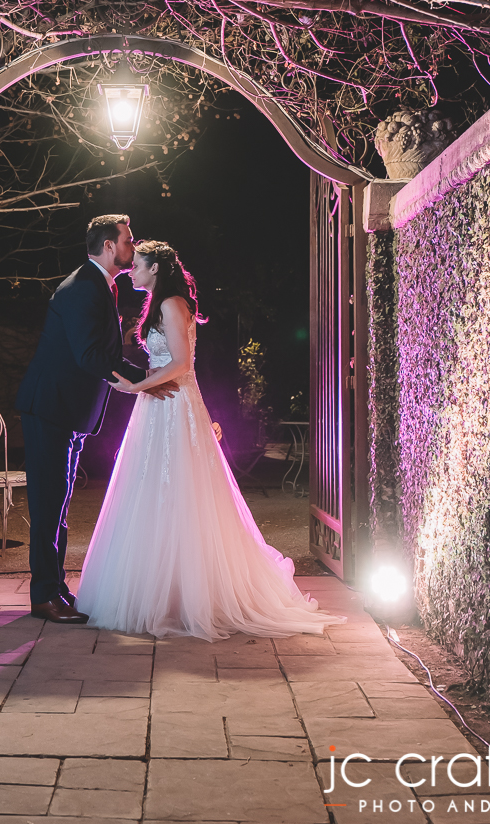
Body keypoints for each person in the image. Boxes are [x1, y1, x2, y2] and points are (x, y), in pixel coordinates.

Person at [75, 240, 343, 640]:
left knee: (183, 492)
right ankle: (162, 590)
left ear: (155, 269)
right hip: (159, 403)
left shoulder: (172, 304)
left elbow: (181, 364)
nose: (132, 271)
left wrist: (137, 387)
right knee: (152, 490)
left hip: (171, 403)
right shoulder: (160, 304)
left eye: (139, 265)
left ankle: (189, 595)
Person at [15, 215, 178, 623]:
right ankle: (44, 597)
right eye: (128, 240)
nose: (132, 247)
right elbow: (91, 355)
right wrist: (146, 381)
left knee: (58, 504)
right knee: (48, 505)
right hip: (50, 408)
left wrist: (146, 379)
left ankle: (56, 589)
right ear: (109, 246)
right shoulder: (83, 287)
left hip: (67, 412)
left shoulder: (99, 285)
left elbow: (99, 353)